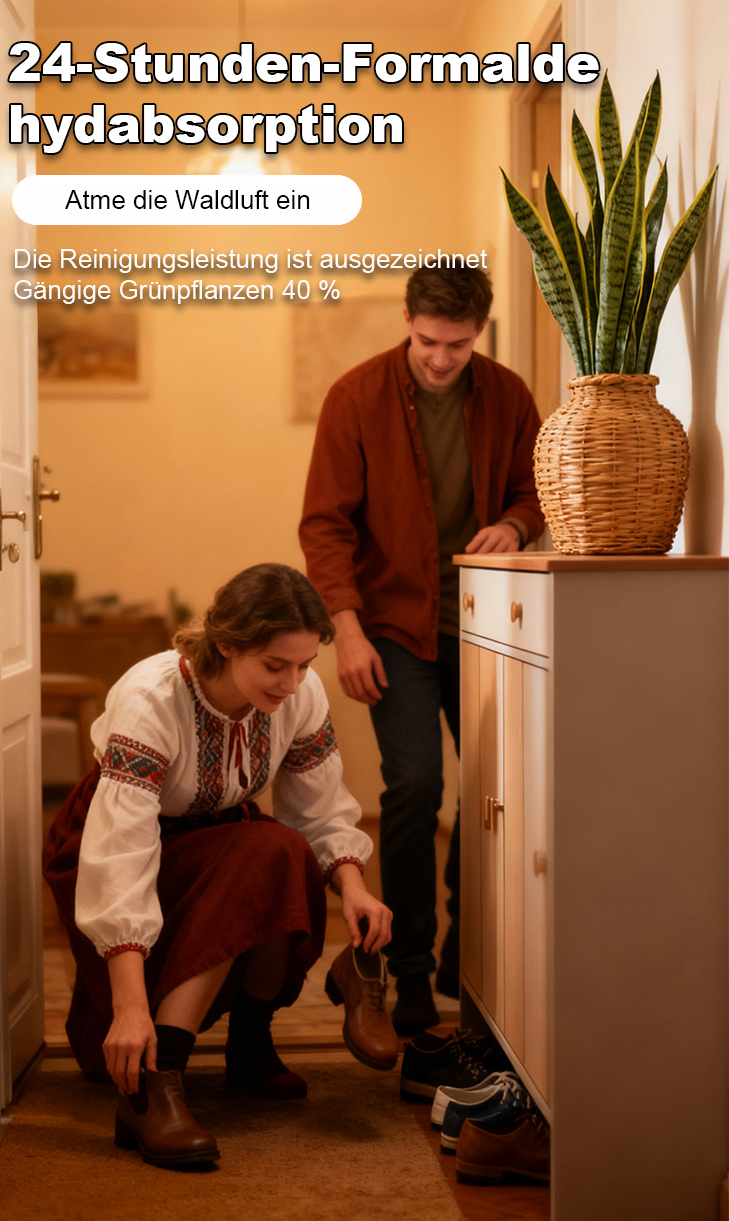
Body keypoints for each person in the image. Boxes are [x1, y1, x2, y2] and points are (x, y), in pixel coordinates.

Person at [43, 563, 392, 1168]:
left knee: (278, 849)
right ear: (228, 644)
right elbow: (120, 854)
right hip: (111, 847)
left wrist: (354, 890)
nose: (293, 683)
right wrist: (129, 1007)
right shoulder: (151, 698)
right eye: (276, 666)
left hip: (218, 838)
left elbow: (319, 808)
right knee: (262, 852)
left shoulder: (300, 693)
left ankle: (249, 1044)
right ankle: (154, 1084)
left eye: (305, 664)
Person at [299, 265, 545, 1036]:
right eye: (430, 341)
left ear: (480, 332)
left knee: (494, 789)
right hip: (391, 629)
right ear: (408, 320)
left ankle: (465, 953)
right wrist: (346, 631)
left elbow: (535, 488)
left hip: (485, 622)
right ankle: (405, 969)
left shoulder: (508, 395)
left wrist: (514, 523)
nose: (441, 358)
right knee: (414, 786)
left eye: (458, 345)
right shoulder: (354, 397)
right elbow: (325, 526)